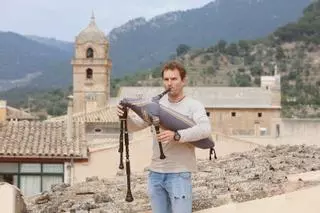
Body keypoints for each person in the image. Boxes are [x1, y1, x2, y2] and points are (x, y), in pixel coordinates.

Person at [117, 60, 212, 213]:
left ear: (183, 81)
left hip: (179, 174)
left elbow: (205, 129)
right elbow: (133, 127)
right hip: (155, 173)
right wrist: (124, 116)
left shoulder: (194, 105)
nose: (169, 83)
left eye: (174, 79)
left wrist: (177, 135)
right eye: (166, 79)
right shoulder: (156, 105)